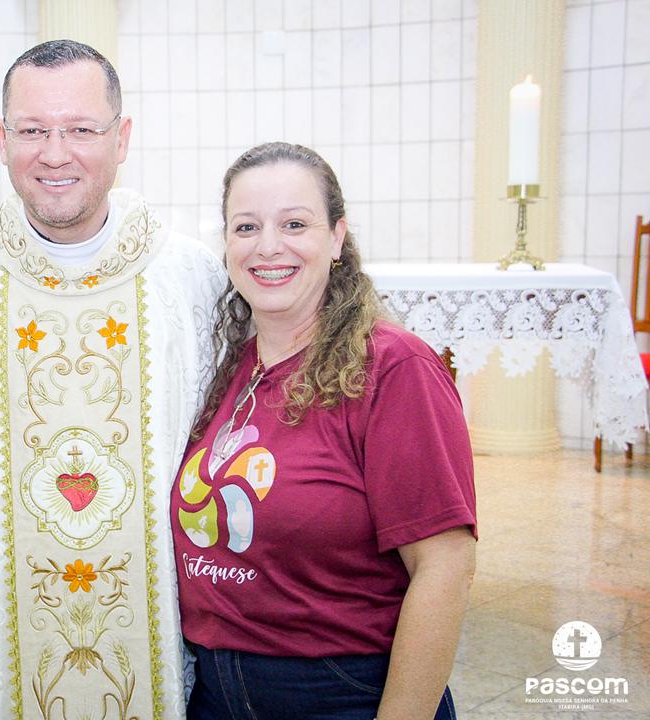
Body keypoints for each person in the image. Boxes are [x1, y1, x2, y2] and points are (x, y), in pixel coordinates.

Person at [0, 40, 225, 719]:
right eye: (33, 130)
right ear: (1, 139)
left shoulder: (191, 278)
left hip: (158, 621)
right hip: (0, 633)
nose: (55, 154)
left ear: (122, 139)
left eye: (82, 130)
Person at [171, 143, 476, 720]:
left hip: (339, 692)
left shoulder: (392, 368)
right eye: (246, 227)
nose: (268, 246)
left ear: (337, 237)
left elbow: (444, 565)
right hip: (215, 691)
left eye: (294, 224)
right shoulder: (227, 367)